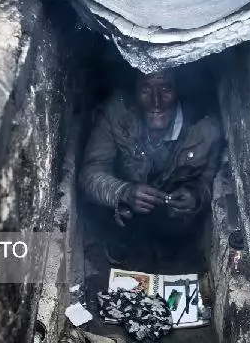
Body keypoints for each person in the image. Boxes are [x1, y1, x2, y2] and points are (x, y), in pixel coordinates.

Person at [78, 69, 223, 265]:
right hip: (128, 209)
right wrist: (123, 192)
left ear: (178, 90)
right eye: (146, 88)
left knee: (178, 227)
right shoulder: (116, 113)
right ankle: (124, 241)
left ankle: (167, 245)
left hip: (170, 213)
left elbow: (208, 181)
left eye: (165, 88)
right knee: (108, 208)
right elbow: (90, 173)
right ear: (135, 89)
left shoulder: (207, 129)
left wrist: (195, 196)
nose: (156, 101)